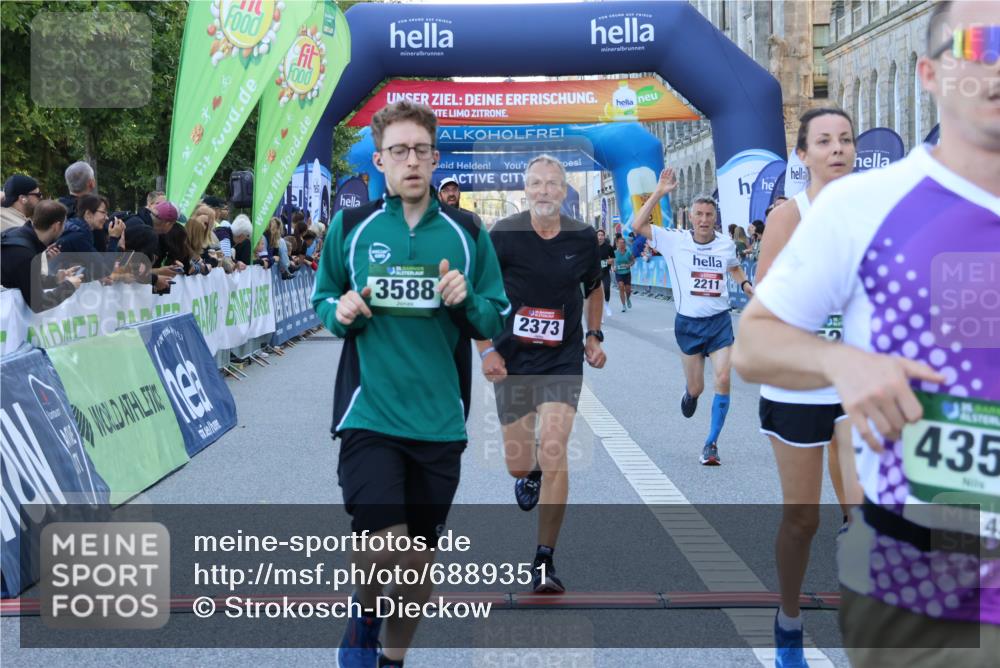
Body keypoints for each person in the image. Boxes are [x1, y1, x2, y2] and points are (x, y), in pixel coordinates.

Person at [733, 1, 999, 664]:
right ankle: (791, 617)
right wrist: (845, 363)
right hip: (927, 580)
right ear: (930, 74)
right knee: (804, 515)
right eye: (978, 44)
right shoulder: (864, 206)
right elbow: (754, 342)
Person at [311, 100, 509, 668]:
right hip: (369, 413)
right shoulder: (351, 228)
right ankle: (365, 616)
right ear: (380, 160)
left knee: (418, 570)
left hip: (440, 420)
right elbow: (323, 297)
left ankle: (392, 660)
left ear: (435, 156)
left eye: (421, 150)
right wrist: (340, 310)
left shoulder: (469, 232)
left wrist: (468, 300)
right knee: (385, 545)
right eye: (399, 151)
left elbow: (495, 317)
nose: (412, 161)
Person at [753, 107, 858, 668]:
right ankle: (788, 618)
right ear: (803, 154)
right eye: (824, 141)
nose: (837, 149)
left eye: (845, 139)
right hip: (797, 388)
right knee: (803, 519)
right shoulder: (788, 218)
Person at [476, 154, 607, 594]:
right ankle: (528, 473)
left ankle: (544, 559)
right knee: (519, 465)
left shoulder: (583, 237)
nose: (545, 191)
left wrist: (594, 336)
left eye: (553, 183)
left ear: (564, 189)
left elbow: (593, 287)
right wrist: (487, 348)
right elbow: (480, 292)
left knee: (554, 448)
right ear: (525, 190)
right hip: (513, 361)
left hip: (561, 360)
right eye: (537, 184)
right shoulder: (504, 235)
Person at [631, 176, 754, 465]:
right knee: (697, 387)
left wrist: (747, 285)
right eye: (698, 214)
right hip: (688, 324)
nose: (703, 220)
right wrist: (659, 192)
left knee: (723, 378)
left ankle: (711, 443)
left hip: (719, 322)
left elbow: (734, 268)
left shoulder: (725, 244)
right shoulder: (675, 241)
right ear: (691, 217)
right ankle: (690, 394)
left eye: (709, 215)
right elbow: (637, 226)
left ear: (715, 218)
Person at [1, 199, 82, 311]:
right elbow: (38, 304)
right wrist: (69, 286)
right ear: (56, 226)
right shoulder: (26, 254)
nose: (64, 229)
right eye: (64, 224)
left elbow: (24, 279)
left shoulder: (16, 233)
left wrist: (56, 280)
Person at [596, 228, 615, 318]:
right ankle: (600, 315)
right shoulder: (592, 247)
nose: (600, 237)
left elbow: (612, 259)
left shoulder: (608, 247)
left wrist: (608, 263)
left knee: (607, 289)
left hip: (605, 272)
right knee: (597, 294)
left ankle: (606, 305)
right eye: (598, 235)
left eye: (602, 235)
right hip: (594, 274)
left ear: (604, 237)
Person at [613, 235, 635, 312]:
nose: (622, 244)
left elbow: (633, 261)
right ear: (617, 244)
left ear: (625, 244)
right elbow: (612, 261)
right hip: (619, 273)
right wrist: (613, 267)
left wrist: (629, 264)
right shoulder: (615, 253)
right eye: (620, 243)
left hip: (627, 273)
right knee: (621, 287)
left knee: (628, 290)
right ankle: (623, 305)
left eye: (623, 243)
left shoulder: (628, 252)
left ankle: (628, 298)